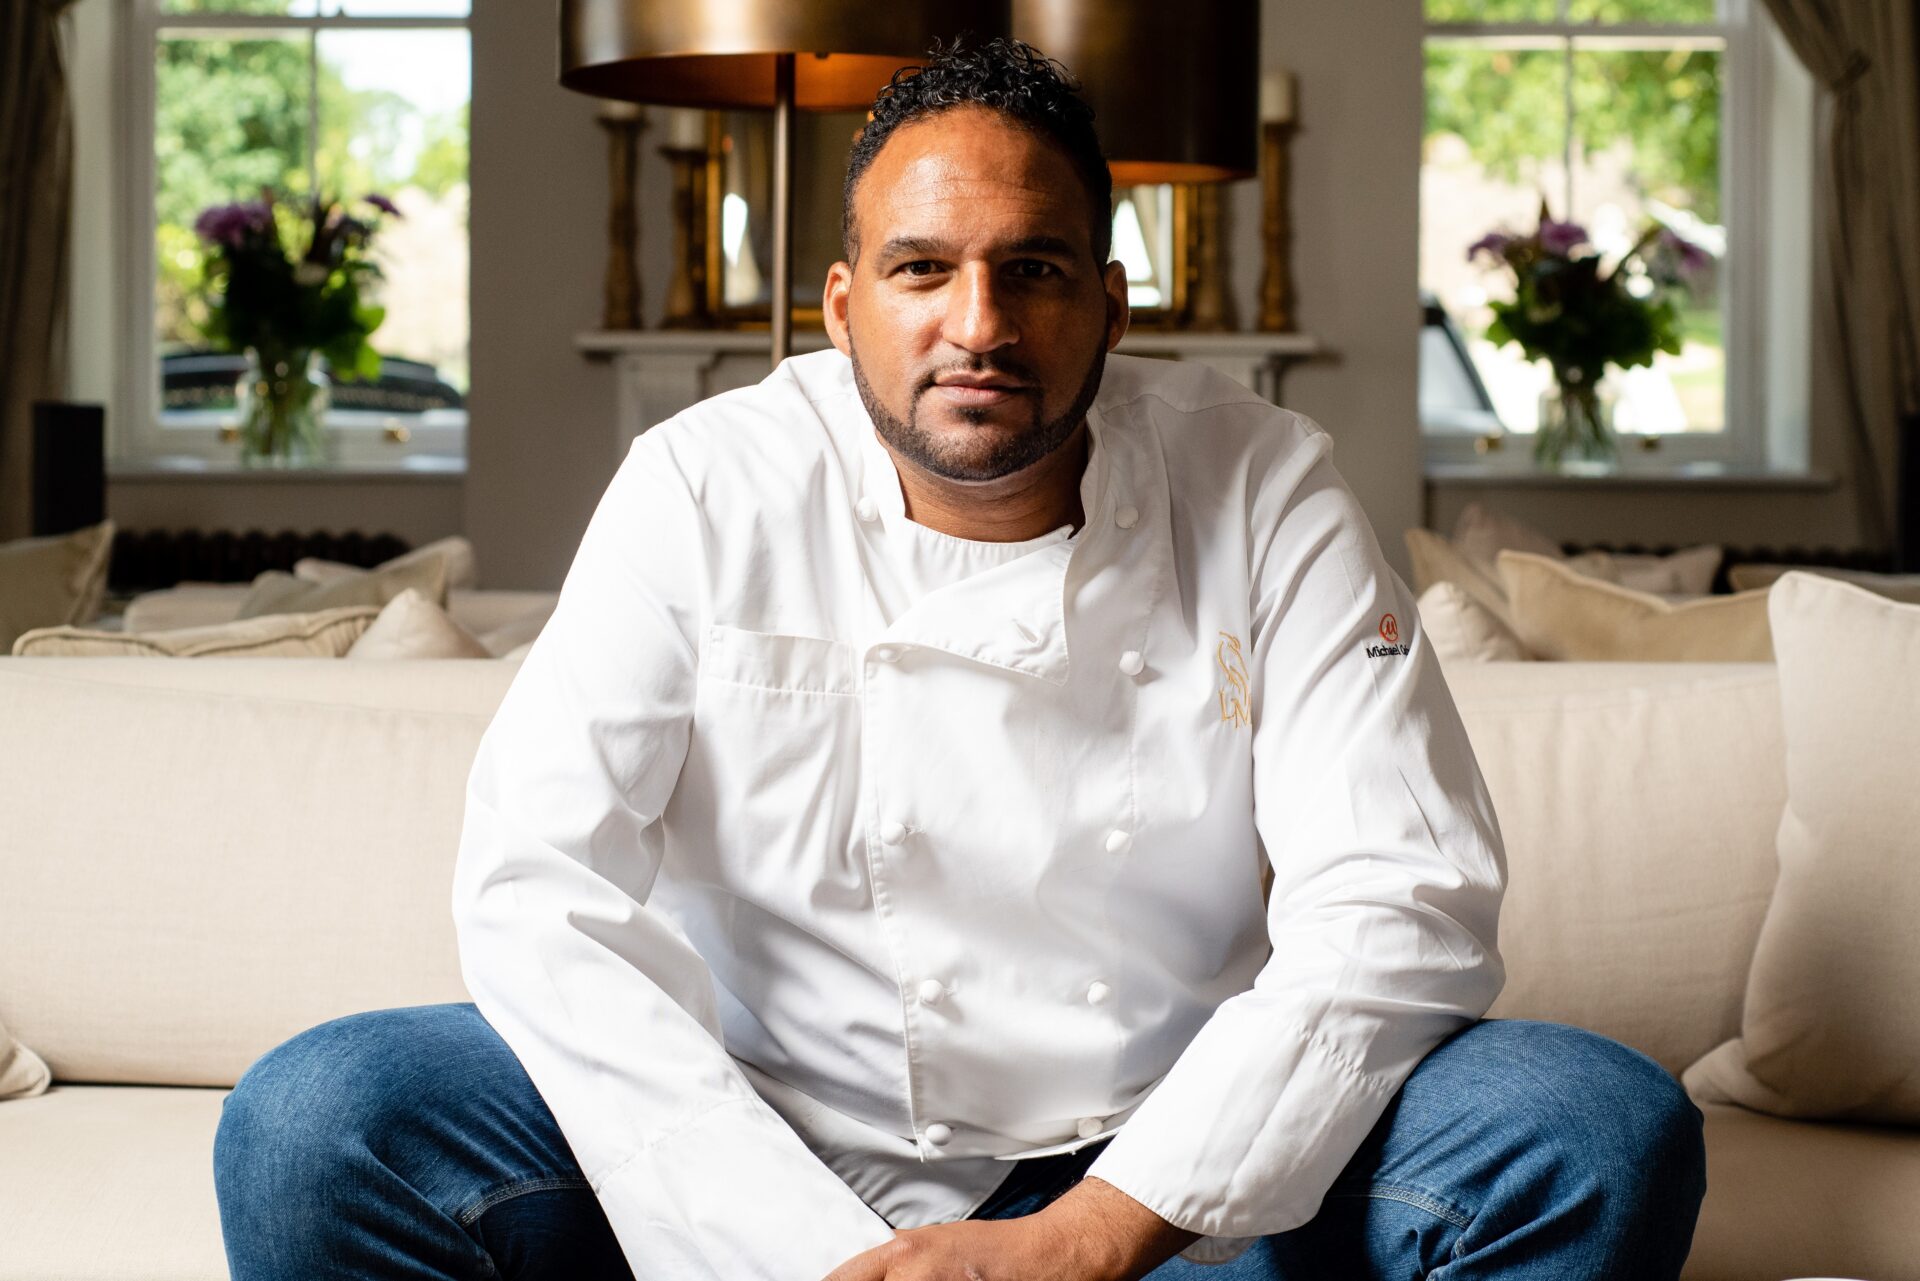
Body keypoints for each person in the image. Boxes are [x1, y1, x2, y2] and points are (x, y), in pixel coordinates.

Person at [211, 37, 1707, 1281]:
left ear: (1113, 304)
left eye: (1036, 270)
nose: (977, 325)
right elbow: (541, 896)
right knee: (318, 1121)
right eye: (923, 269)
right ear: (842, 305)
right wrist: (815, 1256)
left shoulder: (1265, 481)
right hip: (771, 1143)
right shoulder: (702, 486)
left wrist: (1086, 1238)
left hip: (1171, 1167)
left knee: (1594, 1123)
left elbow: (1406, 892)